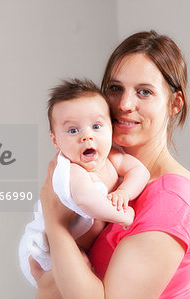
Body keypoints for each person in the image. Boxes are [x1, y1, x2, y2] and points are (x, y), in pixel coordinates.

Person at [31, 31, 190, 299]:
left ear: (175, 103)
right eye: (115, 89)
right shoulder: (104, 175)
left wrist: (56, 223)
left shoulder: (170, 200)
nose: (124, 104)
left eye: (144, 92)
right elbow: (48, 288)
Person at [19, 78, 149, 287]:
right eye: (73, 130)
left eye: (96, 126)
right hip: (48, 254)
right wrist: (124, 216)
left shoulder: (112, 158)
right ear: (55, 141)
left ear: (111, 128)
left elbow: (139, 170)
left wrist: (124, 191)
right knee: (75, 274)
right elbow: (86, 199)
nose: (87, 136)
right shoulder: (71, 171)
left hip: (81, 247)